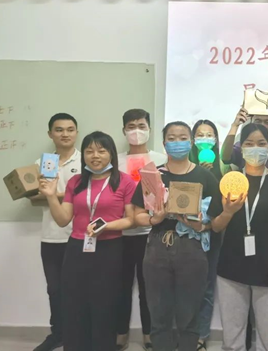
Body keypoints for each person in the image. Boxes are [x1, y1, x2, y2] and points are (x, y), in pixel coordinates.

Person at [38, 131, 137, 351]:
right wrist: (51, 195)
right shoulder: (76, 182)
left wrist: (105, 227)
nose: (95, 156)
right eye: (89, 151)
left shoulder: (125, 181)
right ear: (83, 155)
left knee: (104, 304)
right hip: (77, 248)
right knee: (74, 303)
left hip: (110, 249)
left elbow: (131, 220)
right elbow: (63, 219)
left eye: (101, 151)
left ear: (111, 154)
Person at [132, 121, 223, 351]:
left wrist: (201, 225)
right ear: (164, 144)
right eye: (171, 138)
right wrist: (154, 219)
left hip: (192, 248)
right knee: (158, 313)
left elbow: (216, 220)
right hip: (157, 248)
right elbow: (137, 215)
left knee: (189, 314)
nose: (177, 143)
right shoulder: (153, 175)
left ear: (191, 143)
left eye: (182, 138)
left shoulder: (205, 176)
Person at [213, 123, 268, 351]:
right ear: (241, 148)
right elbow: (216, 226)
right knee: (232, 333)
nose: (255, 148)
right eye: (249, 144)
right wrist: (228, 212)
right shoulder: (229, 181)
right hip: (232, 260)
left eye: (261, 143)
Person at [116, 109, 168, 351]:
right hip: (121, 233)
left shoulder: (160, 159)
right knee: (120, 287)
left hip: (150, 233)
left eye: (141, 125)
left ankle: (149, 334)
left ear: (149, 129)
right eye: (131, 126)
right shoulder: (115, 160)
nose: (136, 131)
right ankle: (120, 333)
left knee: (150, 288)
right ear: (124, 130)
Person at [29, 113, 81, 351]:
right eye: (59, 130)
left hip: (79, 236)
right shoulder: (41, 163)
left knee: (79, 289)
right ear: (50, 134)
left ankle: (77, 334)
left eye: (70, 129)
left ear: (76, 133)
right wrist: (64, 195)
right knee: (55, 290)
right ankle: (57, 333)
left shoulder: (86, 161)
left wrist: (51, 195)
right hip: (50, 236)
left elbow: (86, 195)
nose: (65, 134)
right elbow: (33, 198)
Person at [189, 119, 230, 351]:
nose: (205, 139)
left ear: (216, 139)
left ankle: (201, 335)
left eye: (209, 134)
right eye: (200, 134)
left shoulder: (225, 168)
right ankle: (184, 332)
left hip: (213, 234)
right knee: (184, 285)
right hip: (185, 233)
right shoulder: (184, 165)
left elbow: (225, 204)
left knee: (206, 286)